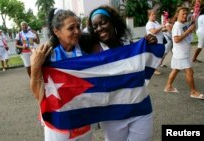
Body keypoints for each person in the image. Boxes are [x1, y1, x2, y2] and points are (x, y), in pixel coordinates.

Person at [86, 5, 160, 141]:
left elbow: (147, 64)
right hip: (113, 116)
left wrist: (150, 45)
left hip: (140, 110)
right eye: (95, 26)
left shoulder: (130, 45)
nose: (99, 28)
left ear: (113, 22)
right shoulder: (94, 53)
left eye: (103, 22)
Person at [30, 9, 93, 141]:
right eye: (71, 28)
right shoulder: (46, 56)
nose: (77, 31)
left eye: (78, 27)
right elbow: (38, 94)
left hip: (82, 117)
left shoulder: (86, 52)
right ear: (57, 31)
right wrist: (35, 67)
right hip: (57, 121)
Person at [164, 7, 204, 99]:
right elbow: (176, 39)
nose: (185, 15)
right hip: (181, 54)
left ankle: (168, 86)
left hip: (181, 53)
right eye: (183, 13)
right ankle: (193, 92)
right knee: (189, 72)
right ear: (177, 14)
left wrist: (190, 28)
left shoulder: (182, 24)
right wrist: (189, 30)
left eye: (186, 14)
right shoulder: (177, 25)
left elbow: (186, 34)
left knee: (176, 69)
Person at [146, 9, 165, 75]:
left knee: (156, 56)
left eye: (155, 14)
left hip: (159, 42)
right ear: (149, 16)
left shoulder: (156, 22)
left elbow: (159, 29)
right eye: (152, 14)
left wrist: (164, 29)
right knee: (155, 57)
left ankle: (151, 68)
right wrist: (161, 27)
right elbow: (154, 31)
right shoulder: (149, 24)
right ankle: (153, 70)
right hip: (154, 43)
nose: (154, 15)